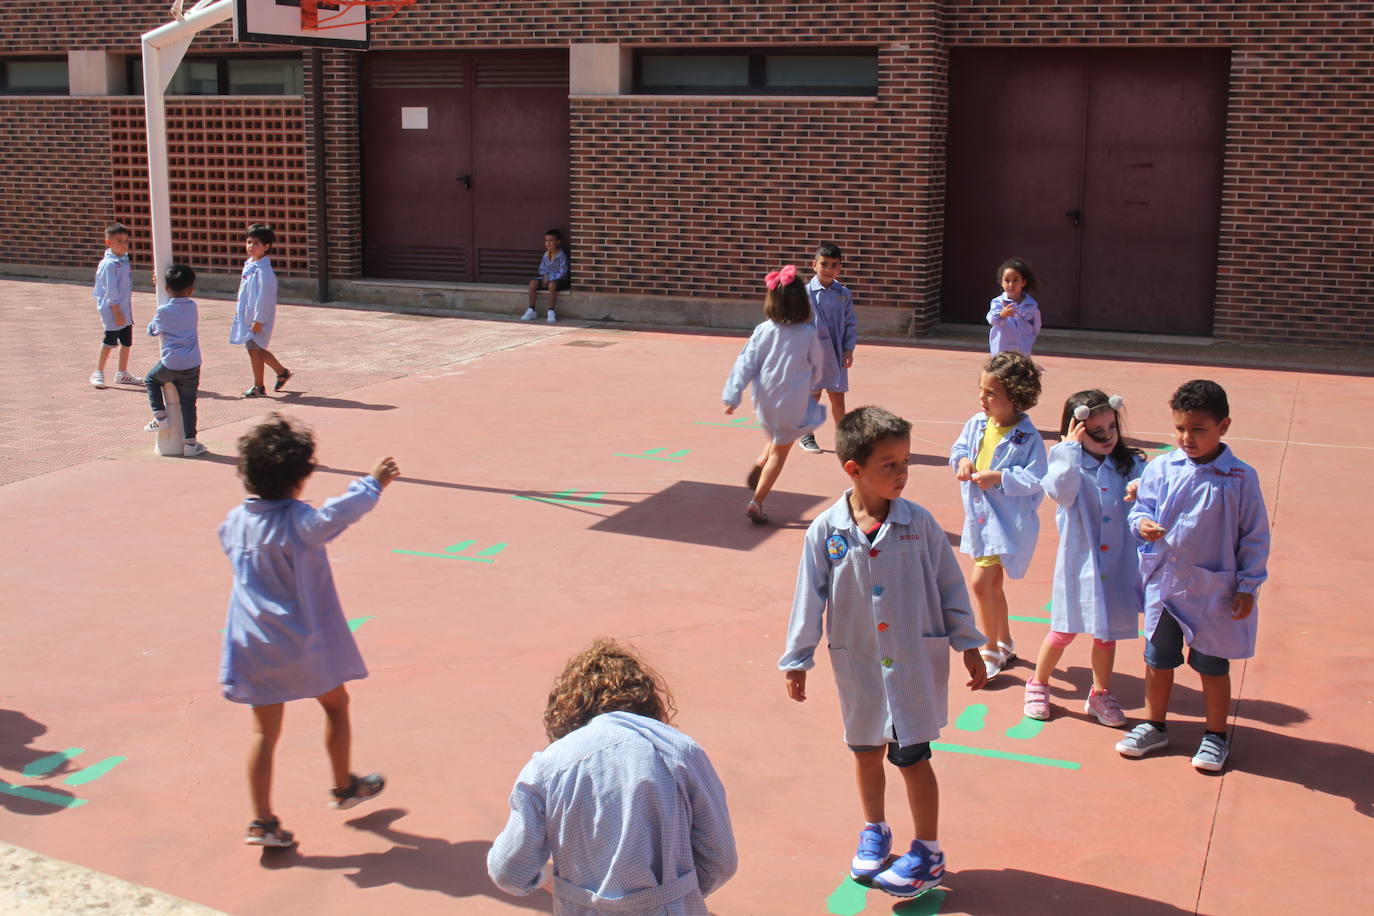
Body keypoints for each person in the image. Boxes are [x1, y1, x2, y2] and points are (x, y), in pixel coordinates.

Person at [781, 406, 986, 899]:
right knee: (866, 750)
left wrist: (968, 643)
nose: (902, 474)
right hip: (860, 664)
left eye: (905, 462)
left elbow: (950, 584)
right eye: (889, 464)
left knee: (913, 755)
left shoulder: (920, 524)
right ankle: (875, 829)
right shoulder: (826, 531)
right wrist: (797, 657)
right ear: (853, 469)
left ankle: (928, 850)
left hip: (913, 661)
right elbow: (809, 597)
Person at [218, 414, 400, 847]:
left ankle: (261, 821)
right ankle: (343, 786)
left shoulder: (235, 523)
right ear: (299, 478)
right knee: (335, 705)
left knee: (264, 731)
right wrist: (372, 483)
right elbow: (335, 516)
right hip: (298, 642)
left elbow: (231, 543)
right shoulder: (299, 522)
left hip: (251, 642)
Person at [488, 638, 737, 914]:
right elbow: (720, 861)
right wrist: (675, 894)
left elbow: (508, 871)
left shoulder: (548, 768)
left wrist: (547, 880)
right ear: (646, 701)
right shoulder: (681, 752)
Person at [1117, 380, 1270, 772]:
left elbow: (1254, 535)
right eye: (1181, 428)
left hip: (1213, 590)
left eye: (1199, 429)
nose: (1188, 437)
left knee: (1211, 664)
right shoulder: (1162, 467)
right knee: (1157, 659)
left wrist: (1248, 586)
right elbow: (1140, 509)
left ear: (1224, 426)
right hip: (1166, 585)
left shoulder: (1240, 477)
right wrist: (1143, 524)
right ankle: (1154, 725)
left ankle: (1215, 734)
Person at [1023, 390, 1146, 724]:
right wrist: (1068, 450)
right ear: (1076, 431)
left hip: (1118, 562)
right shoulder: (1067, 463)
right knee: (1063, 630)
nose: (1107, 436)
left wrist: (1141, 493)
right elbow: (1060, 493)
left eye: (1112, 426)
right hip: (1080, 564)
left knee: (1106, 634)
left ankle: (1100, 693)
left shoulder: (1130, 463)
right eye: (1096, 431)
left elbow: (1149, 495)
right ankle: (1038, 682)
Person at [949, 351, 1047, 680]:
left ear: (1016, 399)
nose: (982, 398)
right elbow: (959, 449)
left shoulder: (1028, 438)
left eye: (991, 393)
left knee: (980, 583)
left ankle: (990, 647)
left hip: (1004, 522)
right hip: (981, 518)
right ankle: (1005, 640)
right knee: (993, 585)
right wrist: (962, 462)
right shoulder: (977, 424)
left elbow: (1037, 480)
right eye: (981, 389)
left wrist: (1000, 478)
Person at [721, 264, 827, 523]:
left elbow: (745, 363)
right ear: (803, 304)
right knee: (781, 452)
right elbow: (818, 365)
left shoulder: (762, 330)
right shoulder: (808, 333)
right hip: (792, 403)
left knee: (778, 432)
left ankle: (761, 458)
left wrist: (732, 396)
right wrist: (813, 380)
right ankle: (757, 501)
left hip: (765, 403)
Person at [798, 242, 857, 454]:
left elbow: (850, 323)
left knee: (838, 397)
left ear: (839, 268)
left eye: (834, 265)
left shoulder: (843, 294)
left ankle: (843, 440)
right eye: (824, 264)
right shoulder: (805, 294)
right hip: (814, 354)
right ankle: (807, 434)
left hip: (837, 353)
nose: (828, 269)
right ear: (814, 265)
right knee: (813, 394)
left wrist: (849, 349)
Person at [142, 264, 206, 457]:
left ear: (167, 288)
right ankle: (190, 443)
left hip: (170, 362)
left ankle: (160, 416)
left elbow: (152, 330)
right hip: (192, 363)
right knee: (189, 403)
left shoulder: (163, 311)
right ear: (191, 289)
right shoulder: (193, 307)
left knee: (150, 380)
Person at [230, 224, 291, 398]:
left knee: (254, 349)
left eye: (256, 243)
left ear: (266, 246)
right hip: (248, 317)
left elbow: (265, 298)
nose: (251, 246)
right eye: (249, 242)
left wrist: (259, 320)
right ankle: (281, 372)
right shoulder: (250, 265)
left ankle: (259, 386)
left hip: (257, 319)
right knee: (255, 349)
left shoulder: (264, 272)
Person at [90, 222, 139, 389]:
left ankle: (122, 373)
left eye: (126, 241)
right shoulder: (109, 264)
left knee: (126, 342)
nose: (124, 244)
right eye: (119, 241)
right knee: (109, 340)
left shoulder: (123, 259)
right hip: (113, 309)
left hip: (125, 308)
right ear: (108, 242)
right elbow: (110, 290)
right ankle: (98, 372)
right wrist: (116, 311)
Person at [986, 256, 1041, 355]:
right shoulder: (998, 302)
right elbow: (991, 319)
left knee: (1021, 369)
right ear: (1001, 283)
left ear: (1023, 282)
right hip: (1002, 350)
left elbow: (1036, 326)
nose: (1011, 284)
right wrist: (1001, 315)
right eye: (1007, 280)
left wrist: (1029, 341)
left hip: (1022, 350)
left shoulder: (1031, 305)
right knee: (1002, 370)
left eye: (1015, 280)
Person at [522, 228, 569, 323]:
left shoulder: (562, 256)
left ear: (558, 242)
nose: (548, 243)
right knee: (532, 283)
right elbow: (542, 269)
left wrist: (550, 279)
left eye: (551, 240)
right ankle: (532, 309)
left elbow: (562, 272)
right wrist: (545, 278)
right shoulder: (545, 254)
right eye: (546, 240)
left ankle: (551, 311)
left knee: (552, 285)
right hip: (546, 279)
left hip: (559, 280)